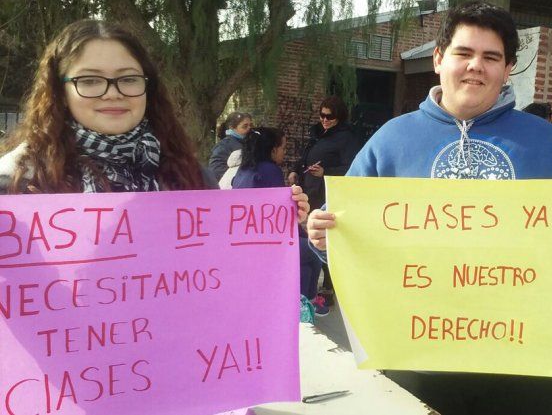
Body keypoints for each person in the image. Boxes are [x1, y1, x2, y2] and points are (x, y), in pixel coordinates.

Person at [306, 1, 552, 415]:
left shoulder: (546, 142)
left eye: (491, 57)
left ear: (508, 67)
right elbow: (343, 235)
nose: (475, 66)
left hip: (528, 363)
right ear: (439, 59)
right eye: (464, 53)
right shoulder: (391, 140)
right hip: (416, 357)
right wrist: (323, 238)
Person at [0, 19, 309, 223]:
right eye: (90, 80)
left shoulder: (191, 177)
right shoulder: (17, 181)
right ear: (60, 91)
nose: (113, 94)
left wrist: (275, 221)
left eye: (128, 79)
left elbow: (225, 268)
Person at [230, 128, 326, 314]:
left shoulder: (243, 170)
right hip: (267, 244)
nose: (284, 152)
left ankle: (301, 305)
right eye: (283, 148)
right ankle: (307, 305)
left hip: (245, 242)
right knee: (313, 252)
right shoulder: (270, 171)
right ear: (273, 150)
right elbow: (282, 218)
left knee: (304, 267)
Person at [288, 95, 362, 302]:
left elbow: (352, 168)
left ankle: (330, 287)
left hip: (328, 194)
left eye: (330, 117)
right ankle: (318, 287)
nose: (325, 120)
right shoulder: (319, 134)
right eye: (322, 116)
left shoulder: (347, 138)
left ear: (339, 117)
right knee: (312, 238)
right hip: (310, 190)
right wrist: (296, 171)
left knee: (326, 240)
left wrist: (327, 171)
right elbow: (306, 158)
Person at [209, 111, 253, 181]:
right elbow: (216, 170)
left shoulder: (249, 142)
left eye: (251, 125)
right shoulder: (224, 145)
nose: (249, 128)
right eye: (245, 126)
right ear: (232, 127)